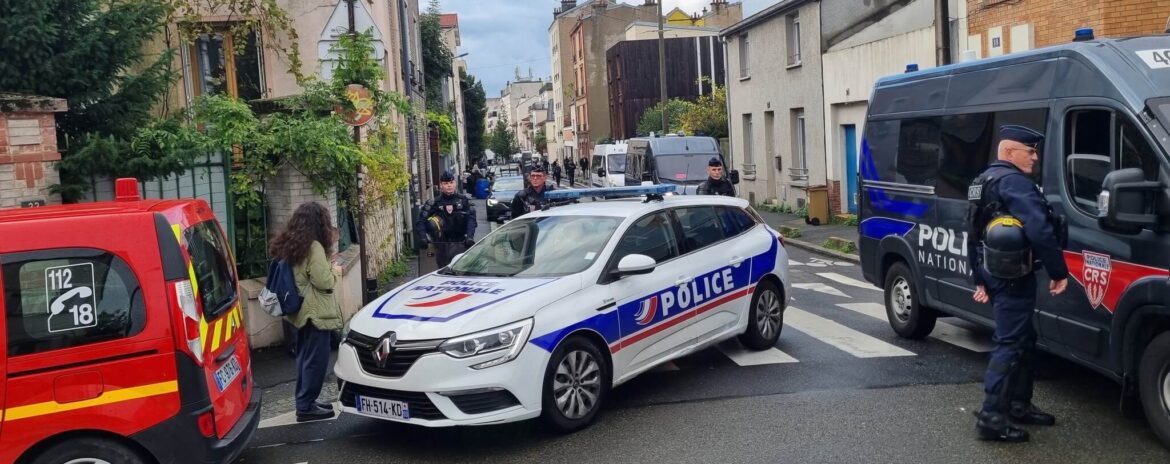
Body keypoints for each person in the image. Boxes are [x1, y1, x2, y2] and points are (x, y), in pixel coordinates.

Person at [967, 125, 1069, 442]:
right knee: (1010, 344)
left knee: (1024, 338)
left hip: (997, 274)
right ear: (1011, 152)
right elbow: (1039, 228)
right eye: (1031, 151)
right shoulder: (1013, 182)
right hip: (1013, 278)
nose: (1035, 157)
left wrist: (979, 277)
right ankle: (991, 418)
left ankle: (1018, 405)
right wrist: (1058, 271)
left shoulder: (982, 180)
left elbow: (971, 232)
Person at [268, 202, 344, 423]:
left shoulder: (292, 244)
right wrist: (332, 268)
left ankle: (306, 401)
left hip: (299, 312)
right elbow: (324, 280)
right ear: (320, 223)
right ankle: (306, 406)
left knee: (304, 358)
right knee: (316, 361)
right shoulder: (314, 247)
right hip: (315, 312)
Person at [417, 171, 478, 267]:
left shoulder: (464, 201)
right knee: (442, 273)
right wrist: (423, 238)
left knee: (460, 272)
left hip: (461, 243)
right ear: (441, 185)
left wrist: (470, 236)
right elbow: (421, 221)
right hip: (441, 245)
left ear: (455, 184)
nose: (449, 186)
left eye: (451, 183)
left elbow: (472, 219)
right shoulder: (434, 203)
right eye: (446, 183)